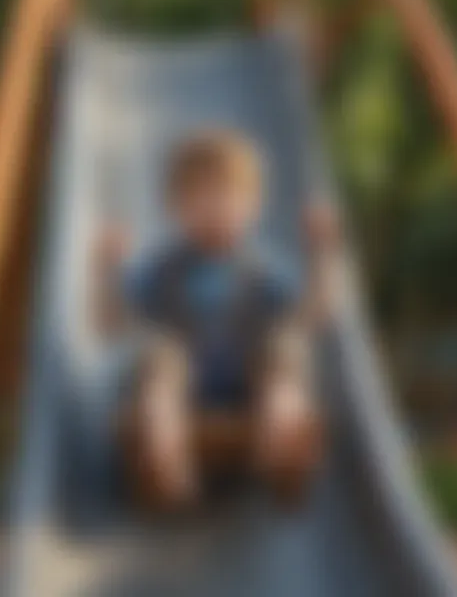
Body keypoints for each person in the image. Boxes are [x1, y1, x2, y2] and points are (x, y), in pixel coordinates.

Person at [95, 128, 339, 511]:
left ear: (253, 207)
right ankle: (165, 454)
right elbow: (110, 323)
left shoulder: (262, 273)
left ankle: (281, 435)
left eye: (228, 197)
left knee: (283, 345)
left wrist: (322, 256)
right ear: (174, 209)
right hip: (179, 393)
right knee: (160, 351)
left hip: (249, 389)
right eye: (199, 199)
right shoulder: (161, 271)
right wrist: (107, 270)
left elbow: (313, 315)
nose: (215, 209)